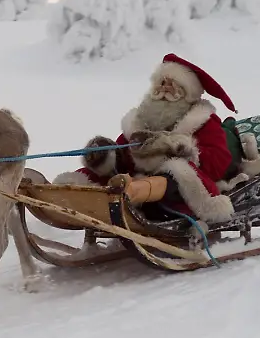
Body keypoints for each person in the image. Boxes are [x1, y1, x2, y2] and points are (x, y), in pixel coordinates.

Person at [56, 53, 243, 222]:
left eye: (173, 85)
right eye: (162, 83)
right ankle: (70, 189)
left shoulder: (203, 121)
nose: (165, 89)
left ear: (188, 93)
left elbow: (219, 163)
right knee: (107, 162)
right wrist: (108, 154)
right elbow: (126, 146)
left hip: (177, 191)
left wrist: (180, 150)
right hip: (139, 175)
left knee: (175, 169)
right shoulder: (145, 116)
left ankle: (128, 194)